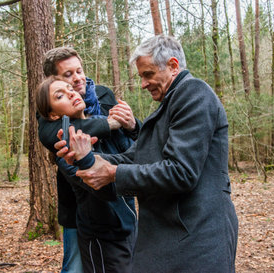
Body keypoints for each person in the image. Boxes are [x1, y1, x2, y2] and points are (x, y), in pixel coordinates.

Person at [55, 35, 238, 273]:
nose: (143, 83)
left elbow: (181, 172)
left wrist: (112, 173)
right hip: (171, 234)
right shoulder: (170, 103)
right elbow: (136, 156)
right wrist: (86, 158)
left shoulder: (194, 93)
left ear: (173, 66)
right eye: (141, 76)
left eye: (148, 74)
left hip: (196, 237)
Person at [37, 47, 141, 273]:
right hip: (84, 211)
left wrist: (132, 125)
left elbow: (133, 144)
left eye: (79, 71)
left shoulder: (103, 95)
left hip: (123, 212)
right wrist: (108, 124)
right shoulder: (51, 113)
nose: (77, 79)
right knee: (75, 267)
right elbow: (56, 136)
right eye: (67, 75)